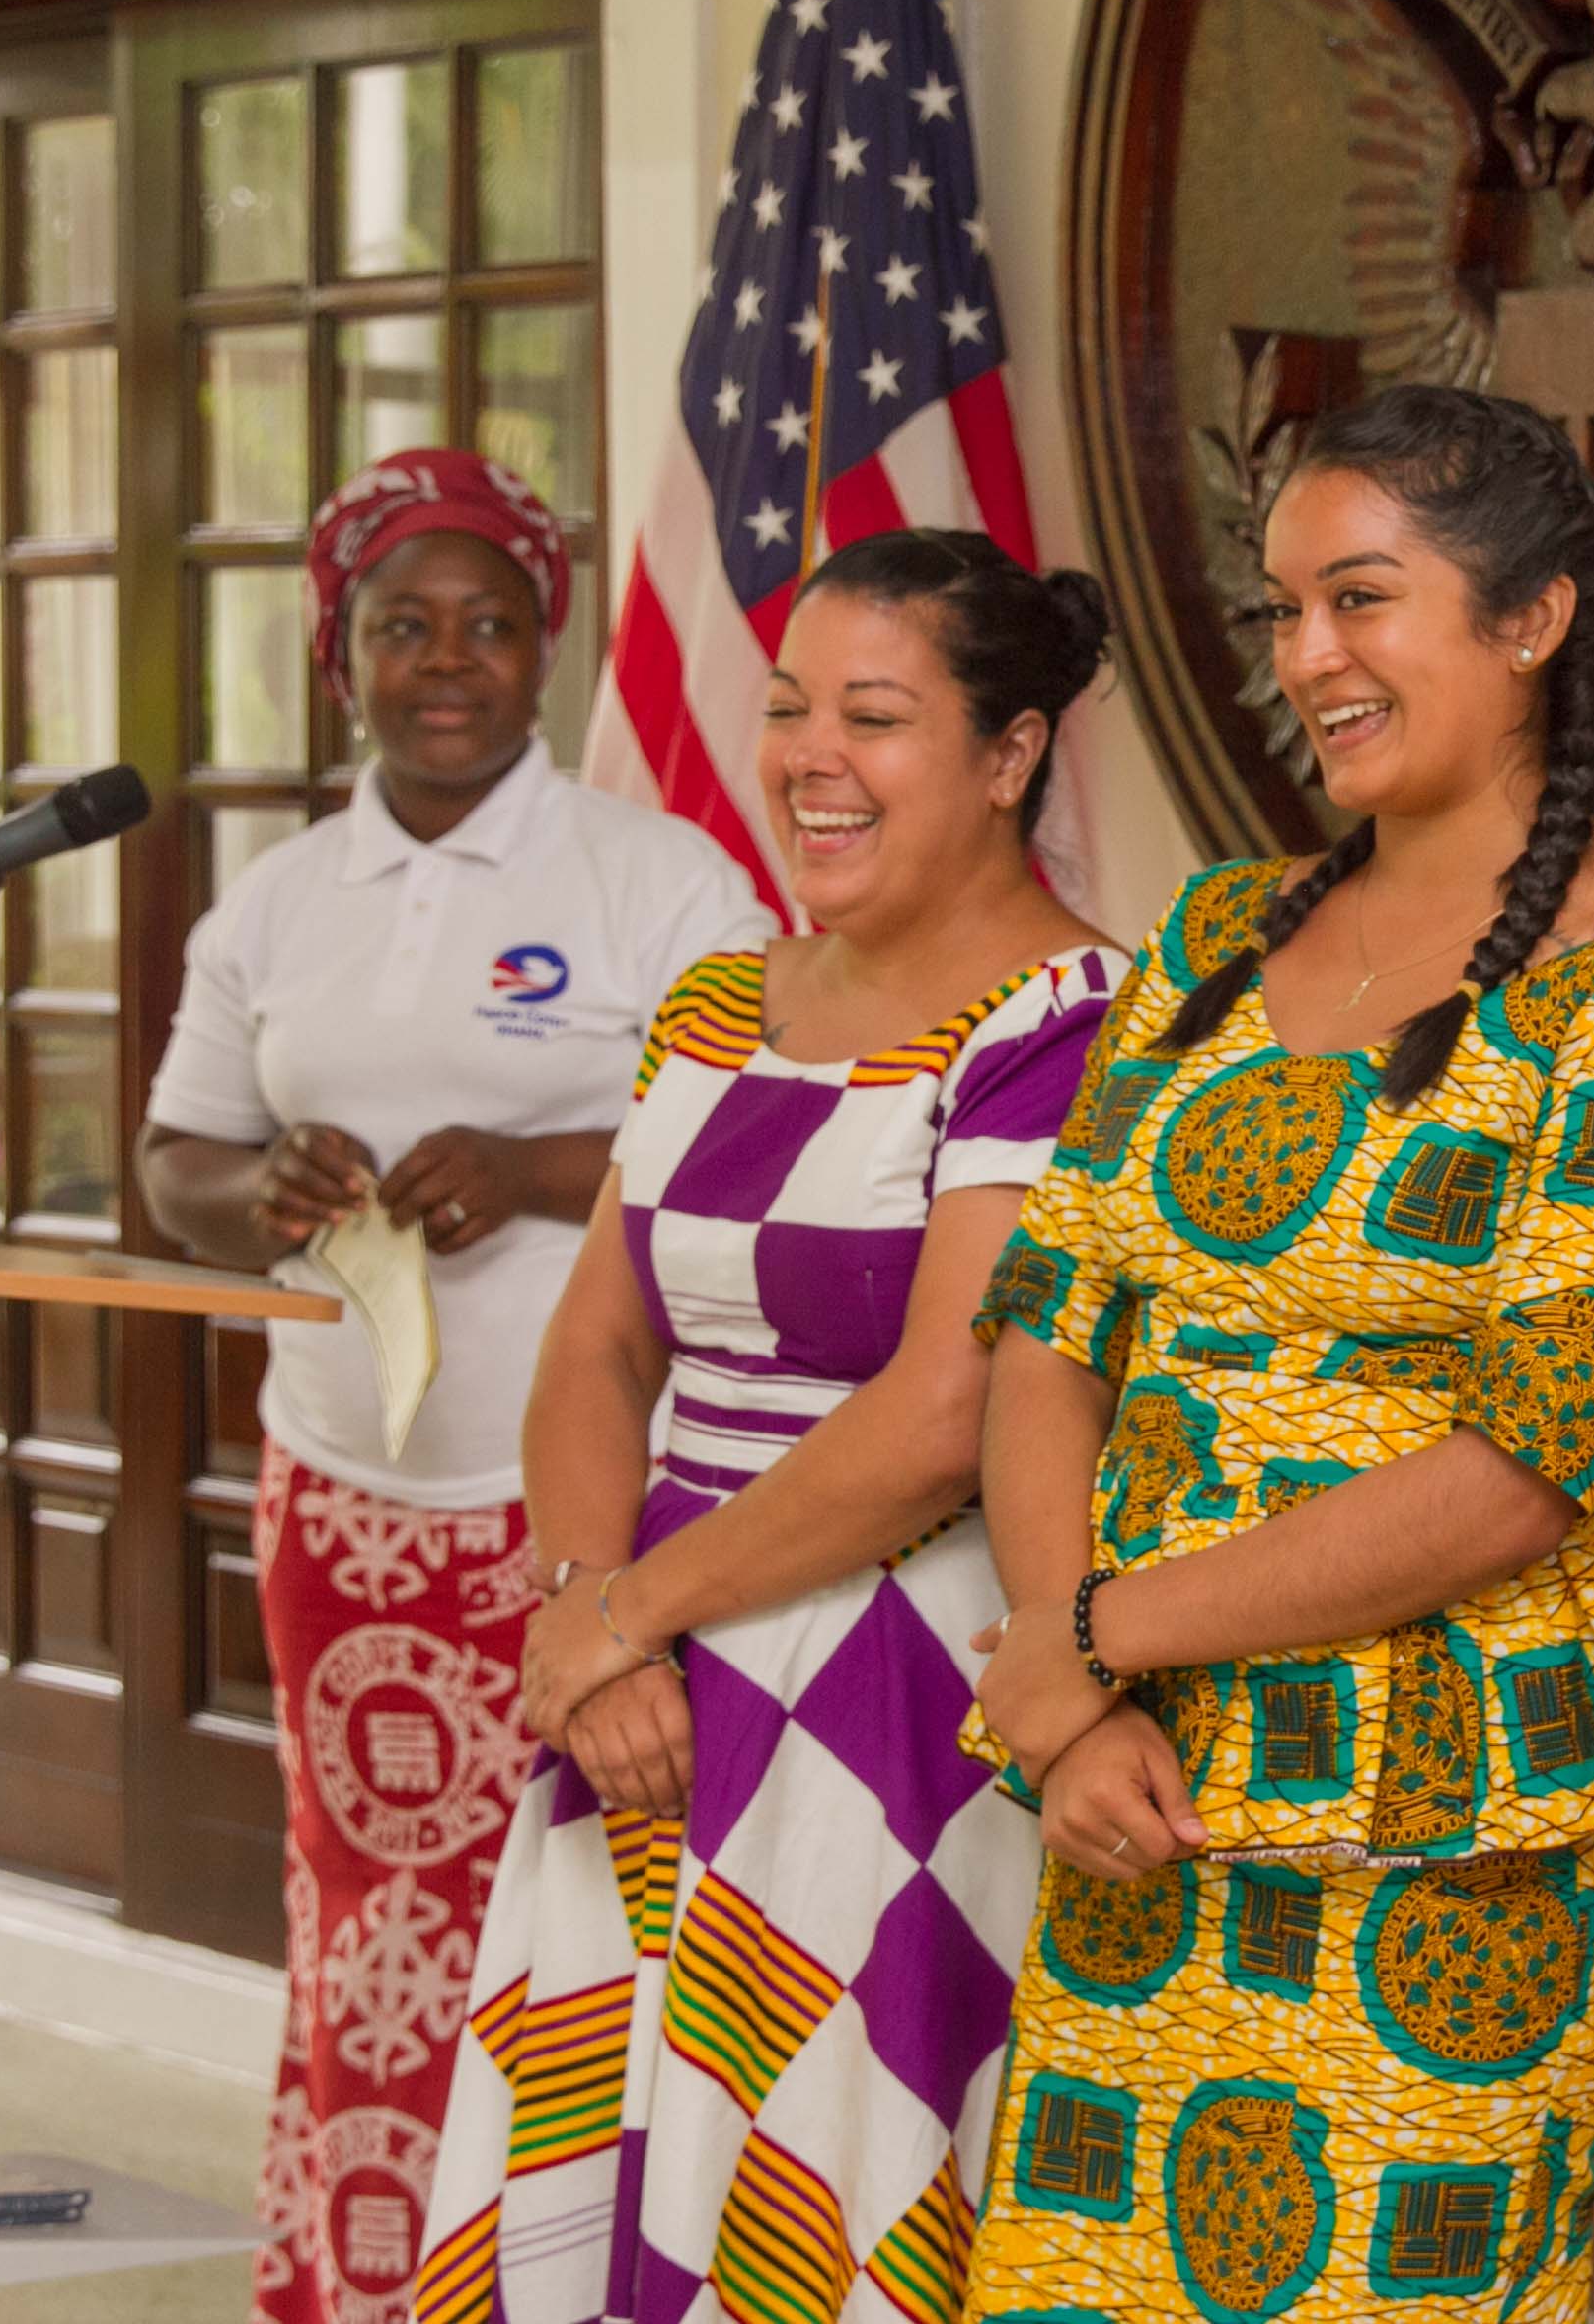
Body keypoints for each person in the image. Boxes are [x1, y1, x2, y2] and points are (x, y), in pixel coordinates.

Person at [953, 386, 1594, 2324]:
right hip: (1138, 1788)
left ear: (1531, 622)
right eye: (1282, 610)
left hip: (1449, 1822)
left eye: (1362, 601)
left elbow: (1519, 1463)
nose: (1304, 657)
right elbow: (1048, 1337)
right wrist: (1076, 1703)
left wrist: (1092, 1640)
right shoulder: (1209, 943)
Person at [412, 530, 1122, 2324]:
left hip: (897, 1698)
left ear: (1011, 753)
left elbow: (953, 1405)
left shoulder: (1075, 1021)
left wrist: (623, 1616)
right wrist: (592, 1603)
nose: (809, 753)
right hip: (644, 1689)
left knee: (821, 2182)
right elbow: (594, 1349)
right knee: (607, 2168)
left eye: (873, 717)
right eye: (789, 704)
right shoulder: (721, 999)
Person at [133, 449, 771, 2324]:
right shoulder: (276, 900)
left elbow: (744, 1148)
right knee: (370, 1924)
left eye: (492, 624)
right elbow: (176, 1163)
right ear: (340, 649)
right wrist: (257, 1195)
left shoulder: (662, 883)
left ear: (546, 652)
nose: (449, 662)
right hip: (341, 1508)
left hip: (594, 1521)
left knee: (590, 1921)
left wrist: (538, 1166)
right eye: (404, 624)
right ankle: (357, 2282)